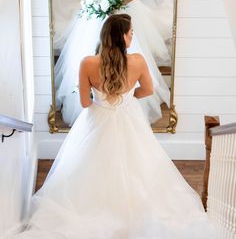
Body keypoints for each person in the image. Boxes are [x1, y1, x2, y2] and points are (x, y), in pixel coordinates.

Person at [9, 14, 217, 239]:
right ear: (122, 37)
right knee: (139, 165)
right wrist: (127, 97)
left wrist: (102, 97)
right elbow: (147, 90)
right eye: (131, 33)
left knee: (86, 167)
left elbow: (85, 102)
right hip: (129, 118)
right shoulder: (137, 61)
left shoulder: (88, 63)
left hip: (97, 121)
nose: (132, 36)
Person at [55, 0, 171, 126]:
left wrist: (117, 3)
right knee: (90, 49)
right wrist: (98, 1)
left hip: (121, 9)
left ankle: (123, 100)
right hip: (97, 9)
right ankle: (95, 99)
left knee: (124, 49)